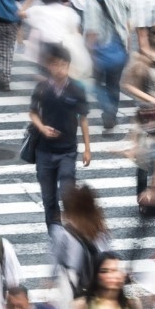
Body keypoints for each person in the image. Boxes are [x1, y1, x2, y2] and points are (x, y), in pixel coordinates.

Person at [30, 46, 94, 230]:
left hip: (67, 150)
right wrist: (42, 128)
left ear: (68, 66)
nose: (60, 68)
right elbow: (33, 113)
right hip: (44, 151)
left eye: (63, 64)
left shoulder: (76, 89)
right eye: (56, 64)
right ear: (50, 66)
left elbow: (83, 119)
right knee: (48, 198)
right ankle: (55, 233)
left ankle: (71, 229)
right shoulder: (42, 88)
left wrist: (87, 149)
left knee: (67, 192)